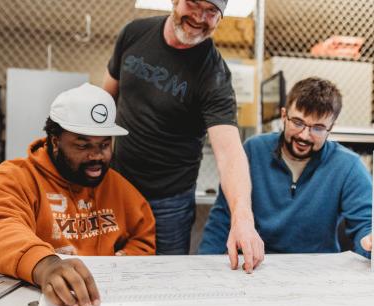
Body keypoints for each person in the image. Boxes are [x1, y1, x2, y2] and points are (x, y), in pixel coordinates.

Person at [102, 0, 264, 271]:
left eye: (211, 12)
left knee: (165, 276)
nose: (200, 17)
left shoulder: (213, 75)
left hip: (169, 202)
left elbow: (229, 153)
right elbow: (105, 99)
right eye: (193, 4)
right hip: (116, 186)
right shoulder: (134, 33)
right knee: (108, 268)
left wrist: (243, 218)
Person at [0, 83, 156, 306]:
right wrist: (44, 264)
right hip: (35, 305)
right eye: (83, 145)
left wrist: (125, 261)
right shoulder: (14, 178)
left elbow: (143, 234)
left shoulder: (118, 187)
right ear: (55, 141)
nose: (96, 156)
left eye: (105, 144)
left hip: (100, 305)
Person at [199, 77, 374, 268]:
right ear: (284, 115)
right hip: (255, 266)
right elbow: (222, 220)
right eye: (298, 122)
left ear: (331, 128)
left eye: (318, 128)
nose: (304, 135)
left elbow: (373, 222)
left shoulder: (347, 165)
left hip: (319, 271)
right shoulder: (253, 151)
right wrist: (205, 266)